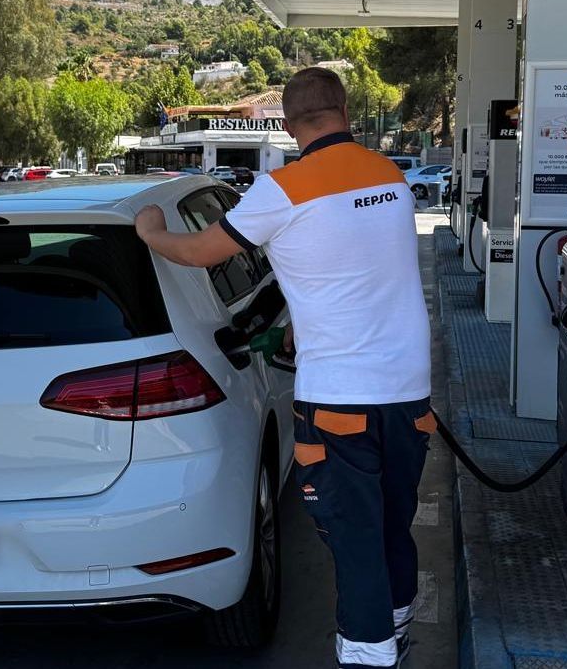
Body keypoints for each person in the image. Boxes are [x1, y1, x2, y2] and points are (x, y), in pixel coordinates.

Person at [133, 67, 433, 669]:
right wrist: (303, 317)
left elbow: (199, 253)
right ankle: (397, 628)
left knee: (354, 540)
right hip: (409, 392)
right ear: (344, 111)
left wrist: (150, 230)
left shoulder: (283, 189)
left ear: (291, 124)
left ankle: (369, 655)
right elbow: (355, 266)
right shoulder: (390, 176)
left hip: (340, 400)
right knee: (392, 521)